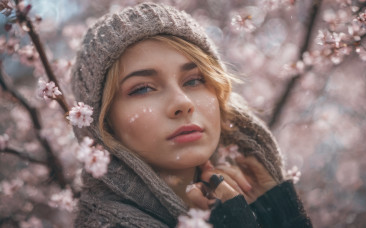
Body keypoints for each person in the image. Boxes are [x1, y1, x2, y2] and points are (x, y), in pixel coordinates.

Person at [71, 2, 313, 227]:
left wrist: (284, 217)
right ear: (103, 123)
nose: (182, 103)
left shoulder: (250, 198)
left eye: (195, 80)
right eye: (143, 88)